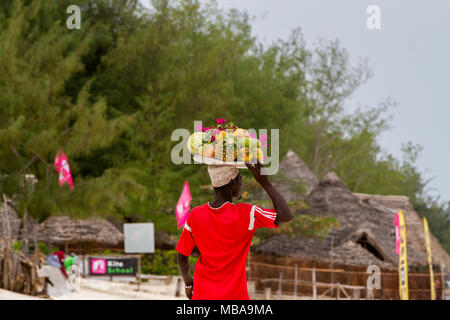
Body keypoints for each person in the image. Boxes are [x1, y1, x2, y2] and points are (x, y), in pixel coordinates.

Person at [176, 163, 293, 300]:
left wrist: (189, 283)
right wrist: (265, 183)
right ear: (232, 183)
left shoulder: (195, 215)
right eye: (240, 180)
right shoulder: (247, 214)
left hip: (202, 294)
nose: (241, 185)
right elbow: (286, 215)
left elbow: (182, 257)